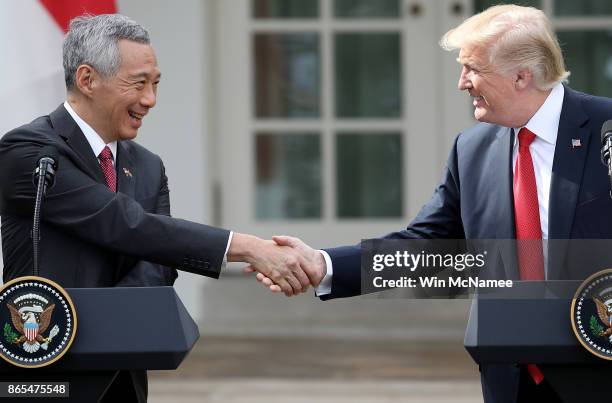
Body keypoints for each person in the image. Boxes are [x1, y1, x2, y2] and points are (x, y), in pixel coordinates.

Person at [249, 5, 612, 402]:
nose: (462, 82)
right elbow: (426, 246)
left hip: (599, 369)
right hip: (512, 375)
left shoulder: (604, 127)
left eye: (472, 68)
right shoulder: (472, 150)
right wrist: (324, 265)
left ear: (521, 76)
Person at [0, 14, 315, 402]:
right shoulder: (27, 151)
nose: (150, 100)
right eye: (138, 84)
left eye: (155, 84)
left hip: (123, 376)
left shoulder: (148, 166)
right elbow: (125, 225)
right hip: (47, 370)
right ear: (87, 79)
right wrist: (248, 247)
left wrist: (111, 331)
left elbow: (157, 260)